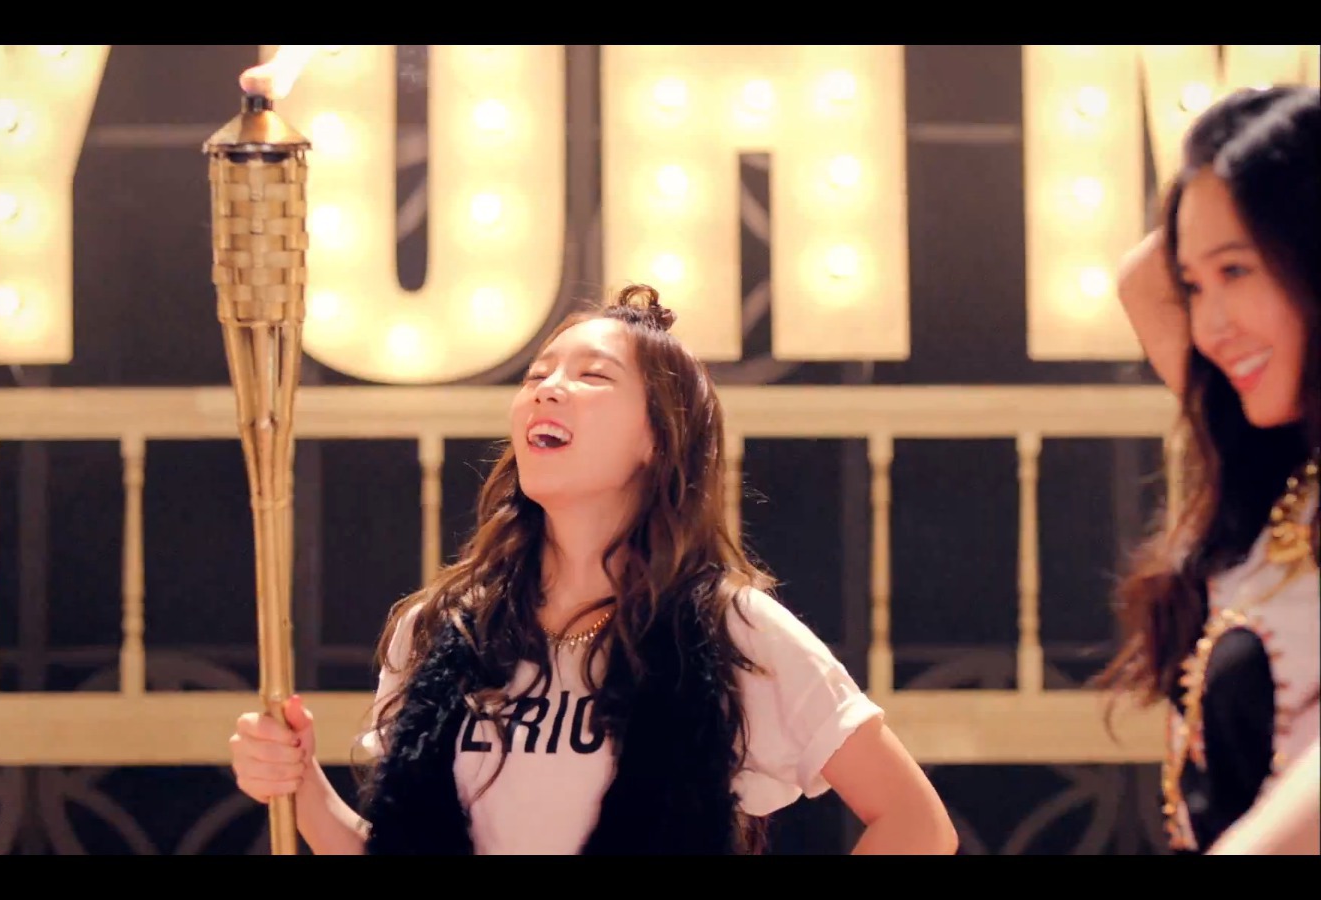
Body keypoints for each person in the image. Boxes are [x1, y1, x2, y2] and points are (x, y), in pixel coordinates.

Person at [227, 284, 957, 855]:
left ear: (657, 439)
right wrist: (300, 785)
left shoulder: (730, 628)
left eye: (593, 376)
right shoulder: (440, 627)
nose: (547, 388)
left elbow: (916, 824)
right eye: (537, 374)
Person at [1097, 84, 1319, 855]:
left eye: (1237, 270)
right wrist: (1227, 171)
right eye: (1195, 285)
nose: (1210, 326)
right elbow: (1139, 280)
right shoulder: (1286, 478)